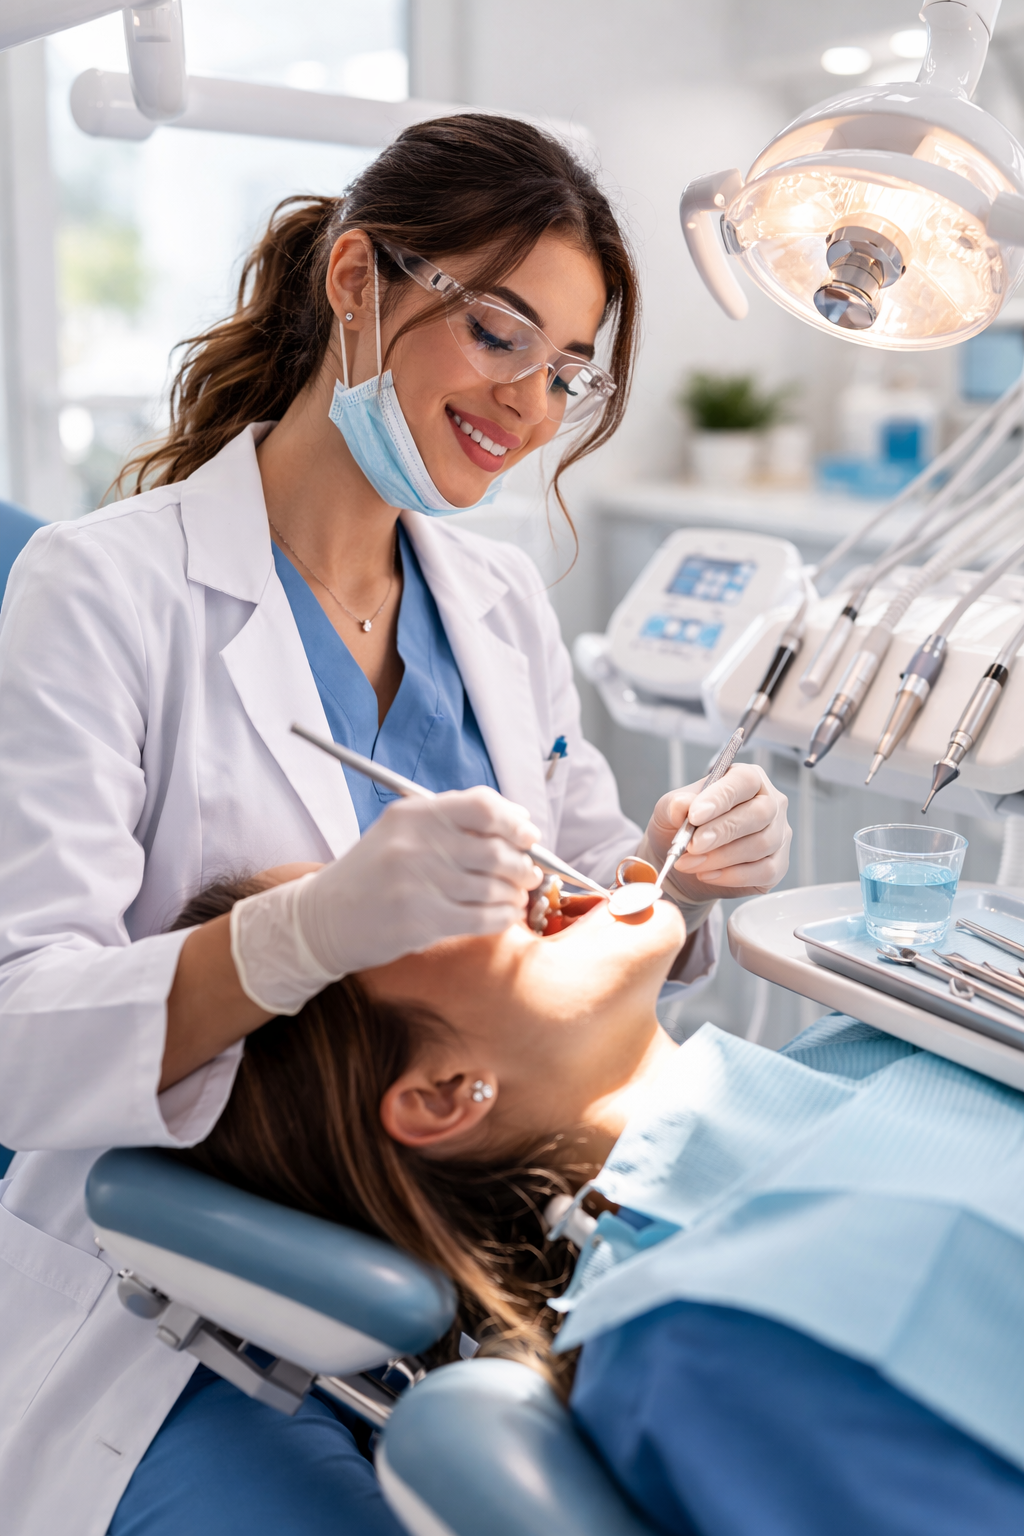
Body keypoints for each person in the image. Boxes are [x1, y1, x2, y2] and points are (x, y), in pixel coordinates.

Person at [0, 115, 792, 1533]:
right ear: (358, 278)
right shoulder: (100, 591)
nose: (534, 408)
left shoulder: (490, 602)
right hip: (177, 1297)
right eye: (500, 335)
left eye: (567, 372)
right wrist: (299, 935)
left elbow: (573, 882)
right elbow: (16, 1037)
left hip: (471, 1248)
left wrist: (679, 878)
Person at [123, 873, 1024, 1536]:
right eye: (396, 893)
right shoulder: (712, 1345)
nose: (495, 854)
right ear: (443, 1092)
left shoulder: (875, 1028)